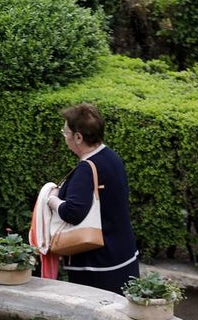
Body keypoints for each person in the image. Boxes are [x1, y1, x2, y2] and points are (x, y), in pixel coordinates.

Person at [46, 103, 139, 293]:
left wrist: (52, 200)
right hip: (124, 257)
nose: (65, 137)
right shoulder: (111, 156)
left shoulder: (86, 169)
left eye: (66, 132)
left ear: (78, 137)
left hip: (98, 266)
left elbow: (73, 212)